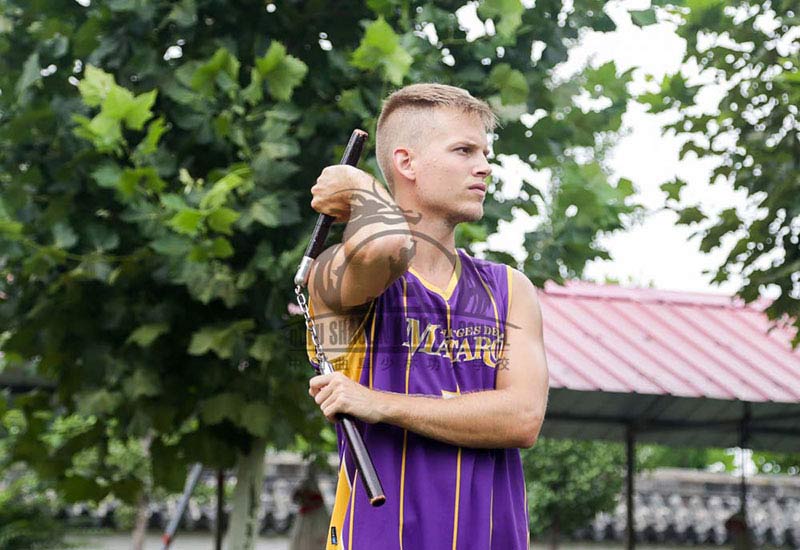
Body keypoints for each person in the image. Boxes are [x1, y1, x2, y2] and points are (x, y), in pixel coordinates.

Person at [305, 83, 549, 549]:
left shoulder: (511, 289)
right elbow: (389, 246)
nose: (484, 166)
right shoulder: (332, 274)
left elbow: (521, 418)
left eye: (485, 152)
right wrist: (362, 186)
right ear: (406, 162)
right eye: (463, 150)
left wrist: (381, 403)